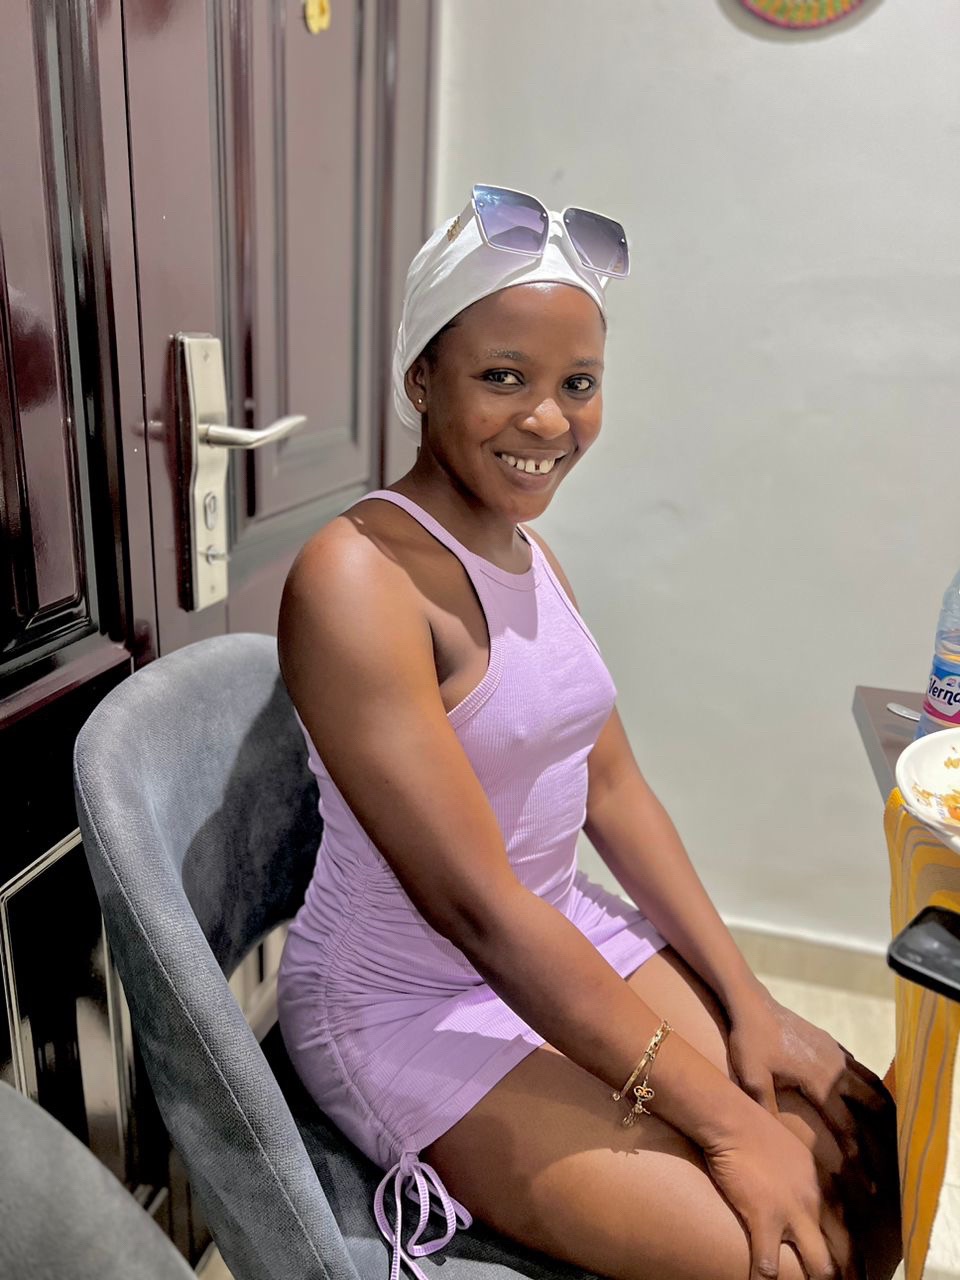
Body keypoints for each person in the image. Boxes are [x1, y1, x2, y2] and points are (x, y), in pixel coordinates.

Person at [276, 185, 901, 1280]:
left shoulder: (526, 551)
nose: (548, 421)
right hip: (408, 998)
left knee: (862, 1148)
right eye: (503, 377)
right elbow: (477, 909)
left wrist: (748, 1001)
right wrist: (723, 1123)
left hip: (553, 929)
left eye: (578, 383)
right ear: (422, 378)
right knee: (778, 1252)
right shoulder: (355, 579)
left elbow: (613, 790)